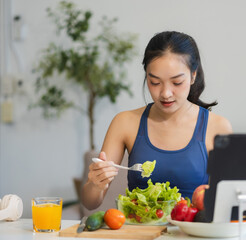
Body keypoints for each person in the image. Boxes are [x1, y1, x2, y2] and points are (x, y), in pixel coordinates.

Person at [81, 31, 232, 210]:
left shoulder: (217, 127)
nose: (165, 93)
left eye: (176, 83)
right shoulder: (125, 122)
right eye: (155, 82)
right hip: (141, 233)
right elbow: (90, 203)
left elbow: (228, 202)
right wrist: (96, 184)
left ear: (193, 75)